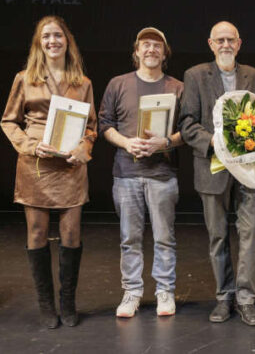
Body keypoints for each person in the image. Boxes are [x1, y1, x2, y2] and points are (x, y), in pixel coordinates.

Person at [1, 15, 97, 328]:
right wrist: (29, 145)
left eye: (57, 35)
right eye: (46, 37)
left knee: (71, 233)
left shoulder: (82, 83)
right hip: (37, 165)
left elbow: (92, 127)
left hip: (69, 167)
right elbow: (8, 122)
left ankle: (67, 302)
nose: (52, 41)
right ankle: (46, 305)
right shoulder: (24, 79)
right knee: (37, 233)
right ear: (38, 44)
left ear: (67, 40)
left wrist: (83, 148)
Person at [179, 21, 255, 326]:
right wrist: (213, 142)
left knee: (250, 232)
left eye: (231, 40)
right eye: (220, 40)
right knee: (218, 236)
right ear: (211, 43)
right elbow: (187, 123)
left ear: (239, 44)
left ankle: (245, 299)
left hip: (248, 168)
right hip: (212, 165)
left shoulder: (254, 77)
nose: (226, 44)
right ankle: (223, 296)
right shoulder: (194, 76)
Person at [98, 27, 184, 318]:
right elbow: (104, 124)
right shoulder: (118, 84)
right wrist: (126, 142)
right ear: (136, 52)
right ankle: (132, 292)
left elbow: (188, 130)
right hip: (126, 174)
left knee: (164, 237)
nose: (151, 50)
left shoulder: (177, 87)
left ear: (164, 53)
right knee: (129, 238)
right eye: (145, 45)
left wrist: (165, 142)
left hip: (162, 174)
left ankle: (164, 291)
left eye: (157, 45)